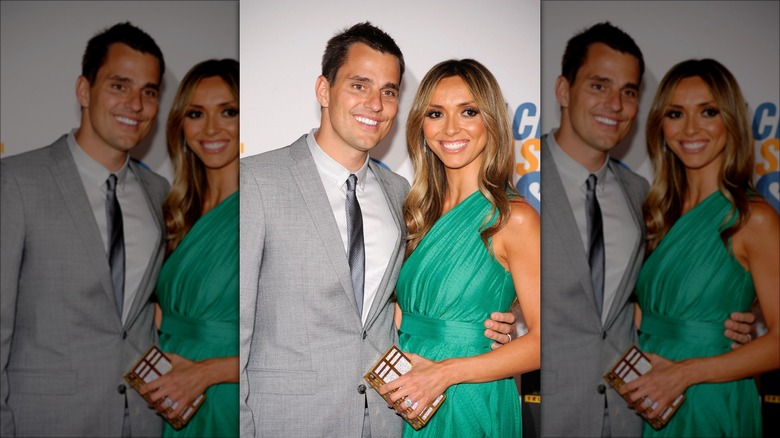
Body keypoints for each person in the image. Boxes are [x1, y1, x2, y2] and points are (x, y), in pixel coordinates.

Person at [239, 22, 516, 437]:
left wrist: (495, 320)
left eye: (389, 91)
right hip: (287, 421)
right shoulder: (256, 181)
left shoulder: (401, 194)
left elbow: (410, 303)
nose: (376, 104)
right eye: (359, 85)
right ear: (323, 90)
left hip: (391, 418)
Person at [539, 22, 757, 437]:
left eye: (629, 91)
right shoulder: (520, 181)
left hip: (634, 413)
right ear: (564, 91)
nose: (615, 104)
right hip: (548, 411)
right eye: (599, 86)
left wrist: (734, 322)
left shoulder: (643, 197)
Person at [1, 22, 167, 437]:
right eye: (119, 85)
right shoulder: (17, 182)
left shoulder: (159, 192)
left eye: (149, 91)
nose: (136, 104)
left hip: (142, 420)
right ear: (83, 90)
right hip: (45, 422)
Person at [377, 59, 540, 437]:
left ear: (492, 121)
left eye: (468, 111)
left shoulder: (514, 218)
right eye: (436, 113)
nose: (451, 128)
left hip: (468, 397)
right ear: (421, 124)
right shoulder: (416, 212)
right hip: (407, 395)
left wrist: (444, 374)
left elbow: (543, 342)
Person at [618, 58, 779, 437]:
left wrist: (684, 374)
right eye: (676, 113)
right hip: (649, 395)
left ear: (732, 121)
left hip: (710, 397)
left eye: (708, 111)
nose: (691, 128)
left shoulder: (753, 219)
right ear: (660, 125)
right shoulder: (655, 213)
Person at [137, 59, 239, 437]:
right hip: (169, 393)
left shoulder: (263, 207)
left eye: (229, 111)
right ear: (181, 124)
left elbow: (288, 336)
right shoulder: (174, 209)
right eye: (196, 113)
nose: (211, 128)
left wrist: (204, 373)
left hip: (226, 392)